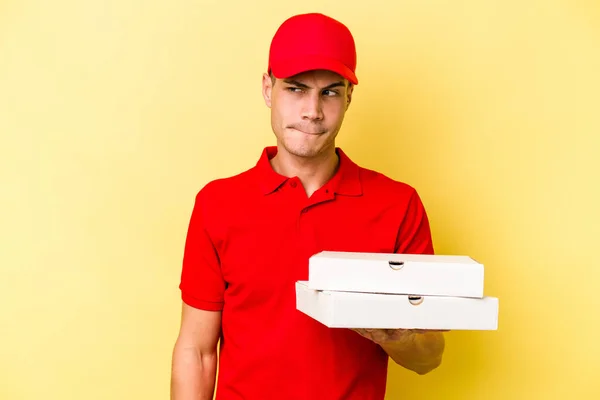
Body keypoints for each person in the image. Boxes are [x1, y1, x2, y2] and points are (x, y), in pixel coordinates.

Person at [170, 12, 446, 400]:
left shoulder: (398, 204)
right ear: (268, 89)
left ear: (349, 97)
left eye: (330, 92)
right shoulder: (218, 204)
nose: (312, 111)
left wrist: (395, 336)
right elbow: (197, 352)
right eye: (295, 89)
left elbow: (427, 358)